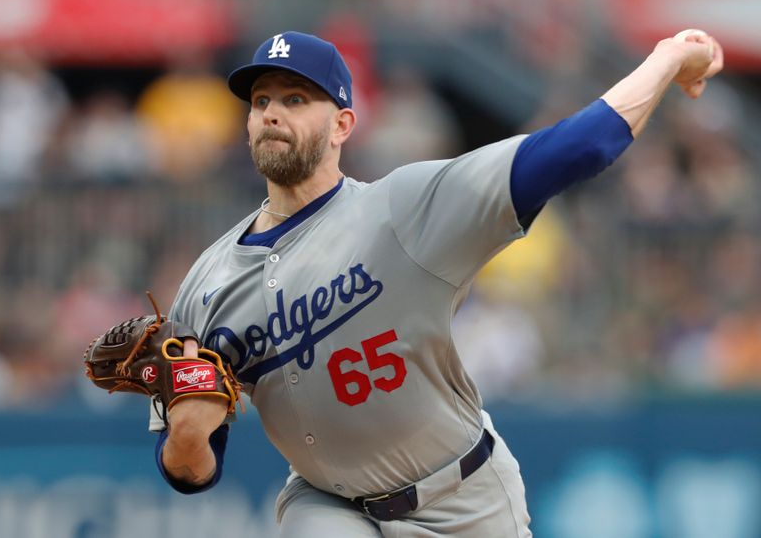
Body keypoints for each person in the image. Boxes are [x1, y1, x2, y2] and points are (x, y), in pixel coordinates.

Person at [150, 30, 723, 537]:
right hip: (329, 503)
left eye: (296, 99)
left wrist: (666, 58)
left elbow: (580, 146)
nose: (272, 112)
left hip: (462, 498)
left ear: (343, 124)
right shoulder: (206, 285)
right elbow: (189, 475)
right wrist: (188, 437)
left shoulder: (403, 210)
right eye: (261, 101)